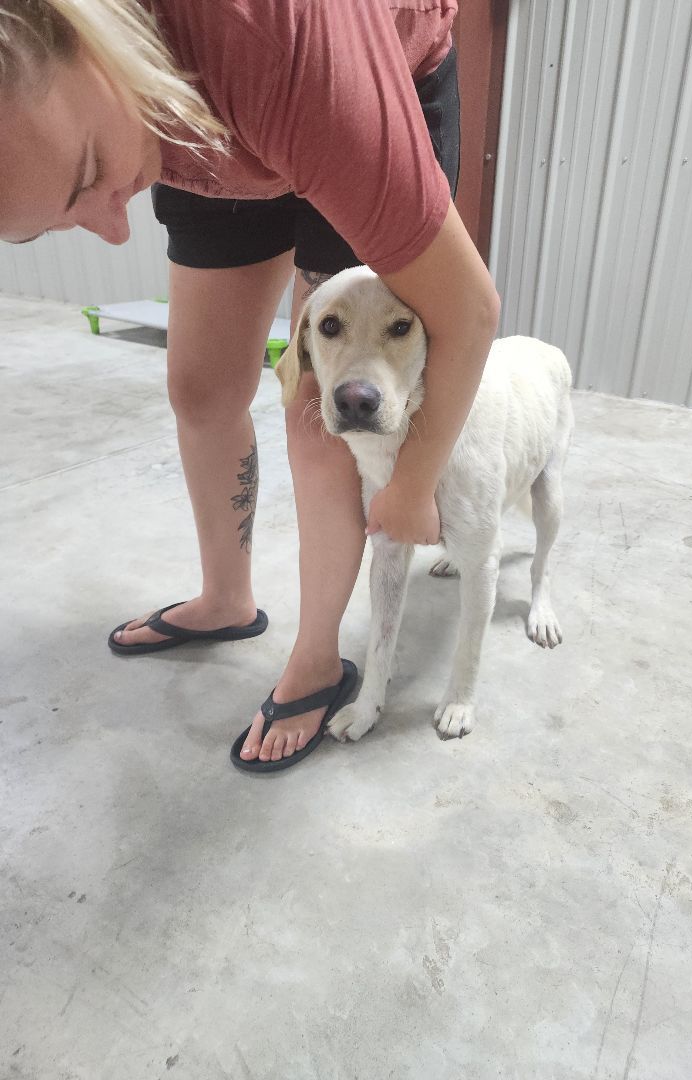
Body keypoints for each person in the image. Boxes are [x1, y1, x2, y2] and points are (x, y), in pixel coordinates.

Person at [0, 0, 500, 772]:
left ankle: (319, 663)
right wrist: (114, 157)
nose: (113, 227)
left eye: (92, 173)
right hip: (178, 100)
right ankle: (227, 599)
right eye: (47, 223)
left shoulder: (278, 45)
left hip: (348, 84)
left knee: (319, 403)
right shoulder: (129, 93)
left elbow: (468, 313)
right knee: (202, 387)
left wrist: (413, 483)